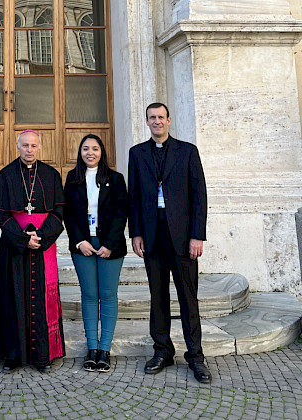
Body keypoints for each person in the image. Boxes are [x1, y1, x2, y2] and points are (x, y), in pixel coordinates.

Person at [128, 102, 211, 383]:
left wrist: (197, 235)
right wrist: (135, 233)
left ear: (169, 120)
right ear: (147, 121)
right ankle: (162, 350)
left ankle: (196, 356)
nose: (157, 122)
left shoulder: (187, 151)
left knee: (188, 298)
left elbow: (199, 195)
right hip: (152, 236)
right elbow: (134, 197)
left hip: (183, 237)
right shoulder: (136, 153)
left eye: (161, 117)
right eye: (152, 118)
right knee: (158, 297)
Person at [0, 129, 65, 373]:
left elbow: (59, 213)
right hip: (14, 247)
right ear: (17, 146)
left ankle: (43, 355)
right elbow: (2, 215)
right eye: (25, 145)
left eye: (33, 146)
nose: (29, 150)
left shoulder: (51, 175)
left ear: (39, 147)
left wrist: (40, 237)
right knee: (13, 296)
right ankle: (12, 355)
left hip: (44, 245)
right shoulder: (5, 175)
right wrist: (22, 240)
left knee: (43, 298)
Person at [64, 134, 128, 373]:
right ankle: (92, 349)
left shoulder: (115, 179)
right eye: (85, 149)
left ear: (102, 152)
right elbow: (67, 213)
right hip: (83, 246)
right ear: (80, 153)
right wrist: (79, 240)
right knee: (89, 295)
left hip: (109, 246)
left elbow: (122, 212)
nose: (90, 153)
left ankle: (105, 349)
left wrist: (110, 243)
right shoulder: (73, 178)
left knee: (108, 294)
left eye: (95, 149)